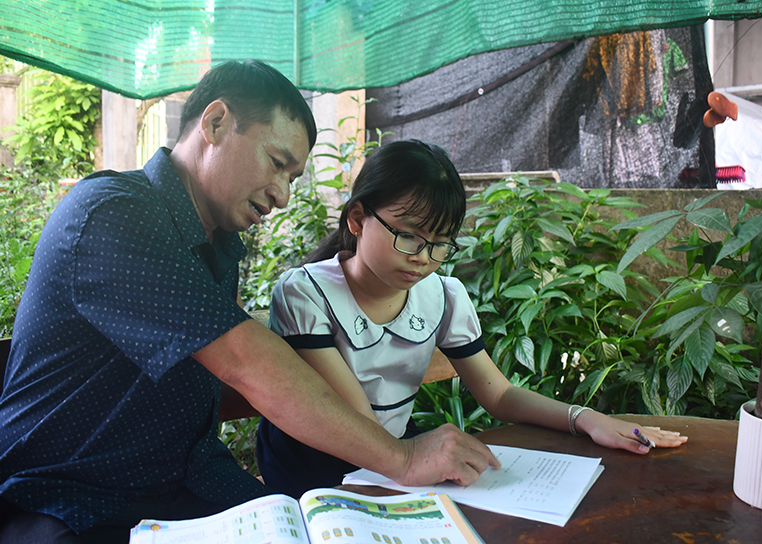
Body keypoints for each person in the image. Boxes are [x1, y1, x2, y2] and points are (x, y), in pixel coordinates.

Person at [0, 61, 498, 543]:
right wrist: (404, 458)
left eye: (294, 177)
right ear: (215, 122)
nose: (282, 194)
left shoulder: (218, 247)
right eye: (277, 163)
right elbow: (244, 361)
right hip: (65, 497)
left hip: (187, 483)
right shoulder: (113, 213)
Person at [257, 139, 689, 498]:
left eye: (441, 243)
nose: (424, 259)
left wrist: (589, 419)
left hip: (392, 468)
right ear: (357, 218)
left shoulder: (442, 296)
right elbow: (358, 425)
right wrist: (411, 459)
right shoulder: (306, 294)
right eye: (408, 236)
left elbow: (498, 395)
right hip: (314, 474)